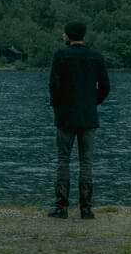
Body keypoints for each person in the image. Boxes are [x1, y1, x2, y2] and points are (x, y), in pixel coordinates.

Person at [47, 20, 110, 219]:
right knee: (86, 162)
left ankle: (61, 206)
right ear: (82, 35)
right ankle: (86, 208)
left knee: (63, 160)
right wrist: (93, 103)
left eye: (63, 33)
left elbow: (54, 85)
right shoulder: (96, 57)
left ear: (68, 35)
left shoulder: (60, 56)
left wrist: (58, 106)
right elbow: (105, 87)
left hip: (66, 116)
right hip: (89, 117)